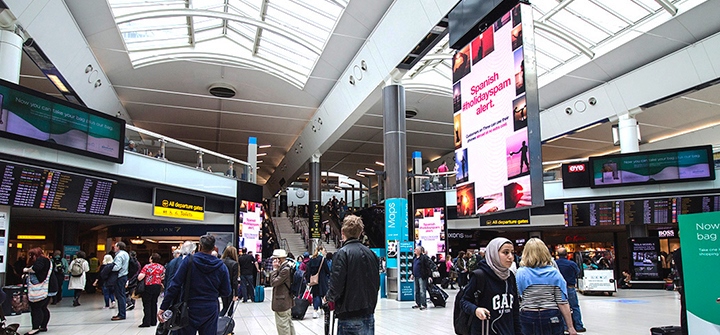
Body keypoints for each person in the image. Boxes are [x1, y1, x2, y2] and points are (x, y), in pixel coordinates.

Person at [158, 235, 231, 335]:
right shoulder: (221, 266)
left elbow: (174, 285)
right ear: (214, 248)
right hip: (210, 308)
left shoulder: (188, 261)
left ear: (199, 247)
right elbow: (226, 291)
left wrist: (164, 307)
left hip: (189, 307)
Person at [327, 215, 380, 335]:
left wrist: (328, 298)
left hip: (348, 314)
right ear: (361, 232)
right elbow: (376, 283)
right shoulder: (371, 254)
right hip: (368, 313)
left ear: (342, 232)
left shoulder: (342, 254)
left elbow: (336, 285)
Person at [516, 238, 576, 335]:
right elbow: (562, 301)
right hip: (551, 314)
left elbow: (518, 297)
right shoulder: (554, 273)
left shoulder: (520, 272)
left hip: (528, 314)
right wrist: (570, 327)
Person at [461, 237, 521, 335]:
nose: (511, 257)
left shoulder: (510, 277)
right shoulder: (480, 276)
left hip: (507, 330)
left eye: (512, 252)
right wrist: (475, 309)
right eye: (505, 252)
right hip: (485, 330)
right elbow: (464, 301)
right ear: (494, 254)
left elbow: (515, 310)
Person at [23, 247, 57, 335]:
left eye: (32, 255)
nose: (30, 257)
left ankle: (35, 327)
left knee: (36, 307)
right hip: (49, 287)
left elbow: (36, 269)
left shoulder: (41, 260)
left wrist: (26, 270)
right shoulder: (47, 260)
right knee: (43, 307)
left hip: (41, 289)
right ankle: (43, 326)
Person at [555, 248, 586, 333]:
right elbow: (578, 272)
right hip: (570, 287)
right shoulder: (572, 264)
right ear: (566, 255)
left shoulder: (555, 264)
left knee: (561, 307)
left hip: (559, 288)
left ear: (557, 255)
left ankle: (565, 326)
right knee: (575, 307)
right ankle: (579, 325)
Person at [269, 249, 296, 335]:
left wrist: (274, 269)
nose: (273, 261)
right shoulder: (287, 267)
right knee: (288, 323)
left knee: (283, 326)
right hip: (286, 301)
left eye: (275, 259)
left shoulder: (285, 270)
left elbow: (274, 282)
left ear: (279, 259)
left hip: (282, 302)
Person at [137, 253, 165, 328]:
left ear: (151, 259)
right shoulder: (161, 267)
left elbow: (140, 277)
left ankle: (146, 321)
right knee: (154, 303)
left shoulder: (147, 266)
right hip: (157, 286)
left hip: (148, 286)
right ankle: (153, 321)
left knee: (147, 304)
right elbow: (163, 277)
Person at [305, 246, 330, 318]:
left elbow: (308, 270)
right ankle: (322, 308)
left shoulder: (312, 259)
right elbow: (327, 270)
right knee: (323, 294)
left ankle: (315, 310)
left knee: (316, 295)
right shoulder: (322, 259)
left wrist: (308, 280)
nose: (324, 252)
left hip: (314, 280)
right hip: (322, 280)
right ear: (320, 250)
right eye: (324, 250)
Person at [411, 246, 434, 310]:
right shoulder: (415, 258)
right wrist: (412, 274)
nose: (415, 250)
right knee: (417, 290)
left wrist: (429, 276)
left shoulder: (424, 258)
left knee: (422, 291)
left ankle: (423, 304)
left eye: (416, 249)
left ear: (420, 251)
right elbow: (413, 266)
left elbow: (427, 267)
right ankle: (417, 303)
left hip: (422, 276)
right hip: (416, 276)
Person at [111, 241, 130, 321]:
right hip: (124, 275)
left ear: (118, 247)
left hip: (120, 276)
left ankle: (121, 314)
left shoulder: (119, 255)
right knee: (121, 294)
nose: (114, 248)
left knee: (120, 295)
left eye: (115, 246)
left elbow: (117, 267)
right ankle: (121, 313)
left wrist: (109, 268)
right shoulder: (126, 254)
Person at [220, 246, 239, 316]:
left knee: (225, 306)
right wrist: (236, 293)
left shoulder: (221, 262)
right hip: (230, 288)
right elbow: (234, 280)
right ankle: (228, 323)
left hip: (222, 287)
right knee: (230, 308)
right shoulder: (234, 264)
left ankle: (219, 319)